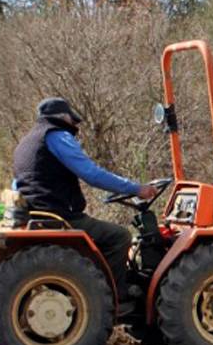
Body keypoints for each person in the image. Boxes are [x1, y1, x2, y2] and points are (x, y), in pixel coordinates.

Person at [12, 98, 157, 313]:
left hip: (34, 213)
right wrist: (135, 189)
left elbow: (18, 183)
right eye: (72, 119)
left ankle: (99, 288)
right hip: (57, 215)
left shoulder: (27, 142)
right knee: (119, 237)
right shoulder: (56, 135)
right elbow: (91, 174)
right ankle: (115, 297)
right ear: (63, 117)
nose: (75, 124)